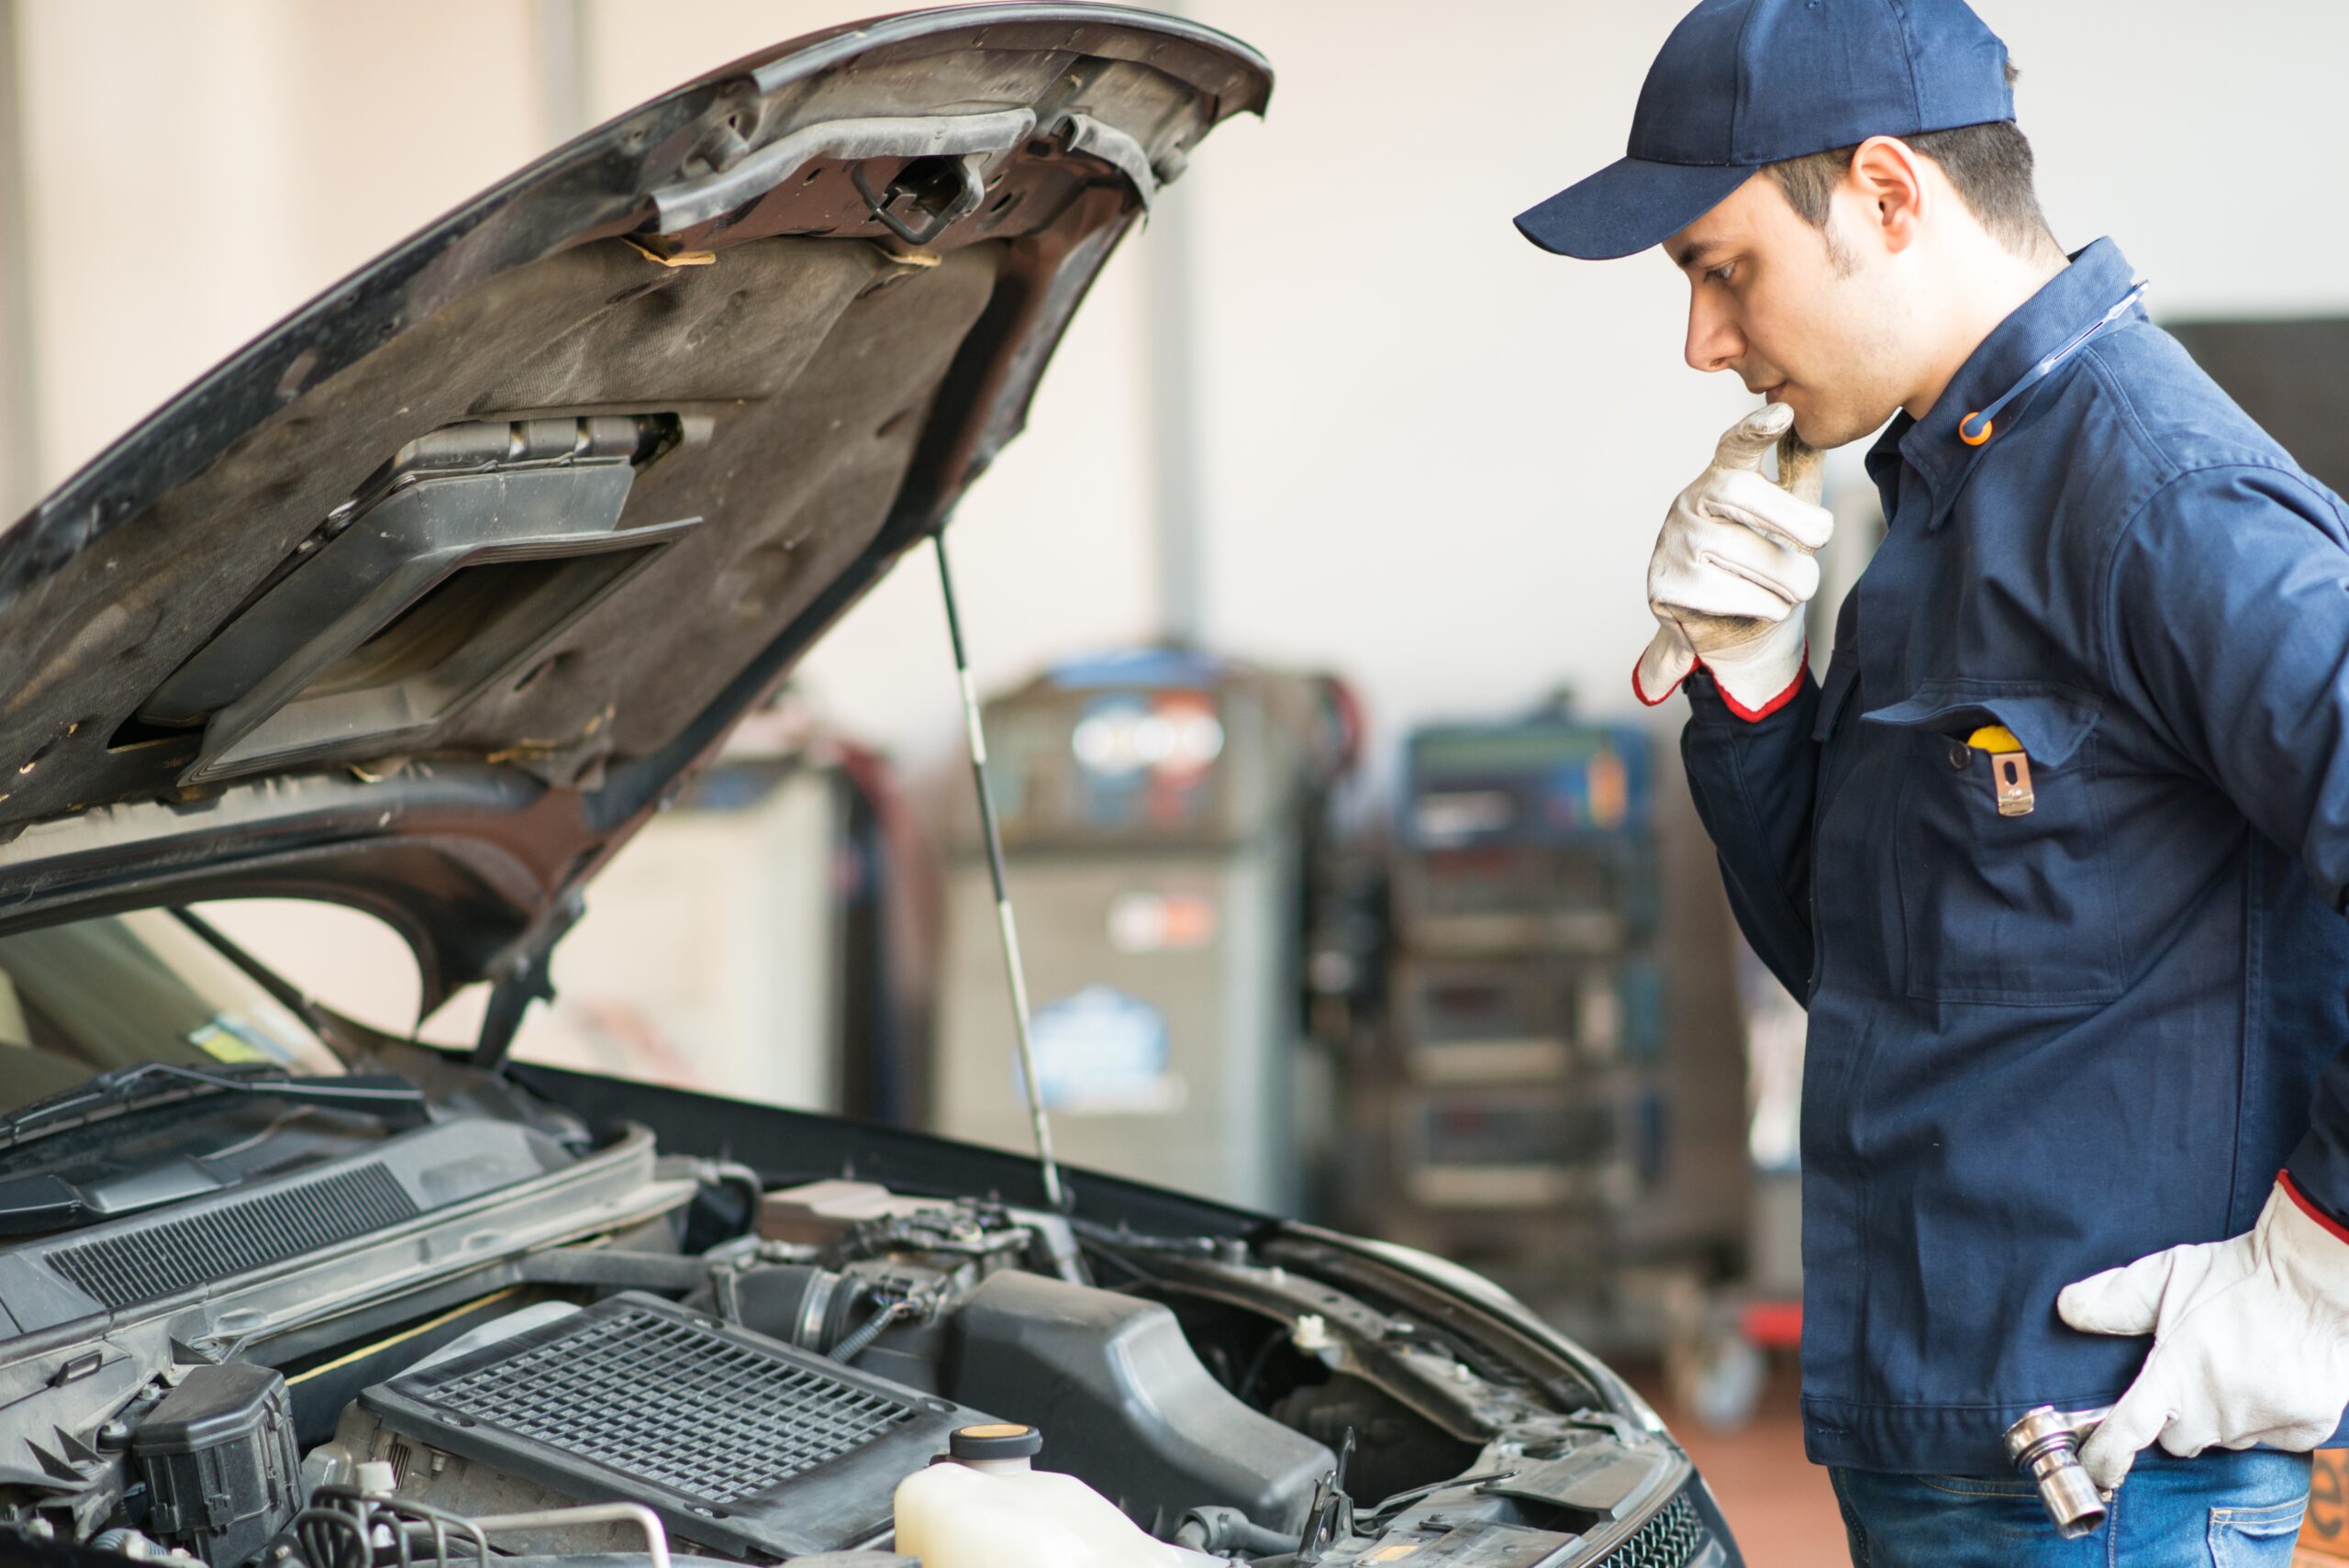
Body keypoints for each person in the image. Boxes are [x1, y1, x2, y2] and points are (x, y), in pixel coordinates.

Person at [1512, 1, 2349, 1562]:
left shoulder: (2159, 498)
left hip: (2120, 1476)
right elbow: (1863, 973)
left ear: (1890, 196)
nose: (1701, 338)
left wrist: (2321, 1258)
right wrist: (1753, 687)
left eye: (1720, 264)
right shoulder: (1939, 510)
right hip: (1943, 1434)